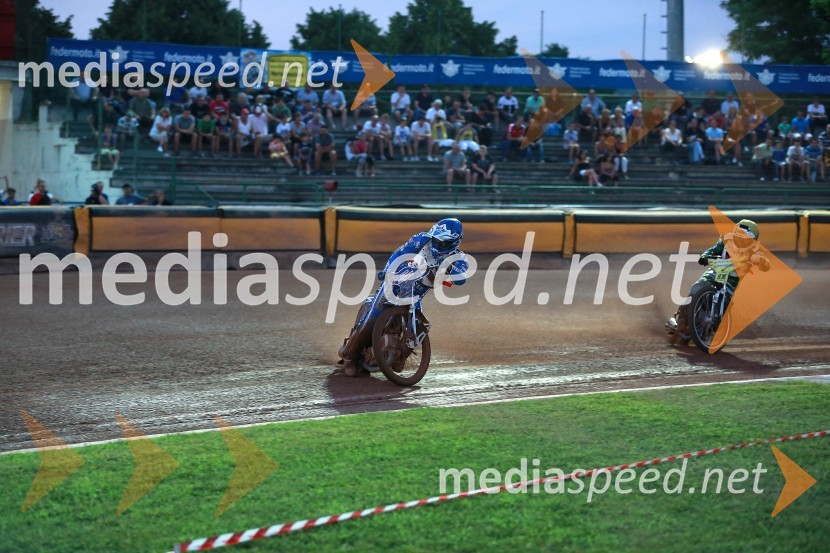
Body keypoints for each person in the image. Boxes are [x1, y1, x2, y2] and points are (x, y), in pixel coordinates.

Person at [337, 219, 469, 376]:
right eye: (436, 239)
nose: (438, 244)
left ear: (455, 241)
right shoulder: (421, 239)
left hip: (415, 298)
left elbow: (461, 278)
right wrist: (387, 270)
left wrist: (449, 267)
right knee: (371, 320)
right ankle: (350, 355)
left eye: (444, 242)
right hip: (393, 287)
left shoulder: (459, 257)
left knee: (418, 331)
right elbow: (400, 253)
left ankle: (398, 356)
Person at [667, 220, 770, 341]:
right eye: (738, 238)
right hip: (716, 272)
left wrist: (761, 261)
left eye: (745, 240)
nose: (740, 241)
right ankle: (682, 320)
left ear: (753, 240)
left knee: (734, 306)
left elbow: (766, 265)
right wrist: (705, 257)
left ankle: (713, 324)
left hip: (734, 282)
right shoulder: (726, 239)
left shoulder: (756, 249)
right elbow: (713, 250)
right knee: (696, 288)